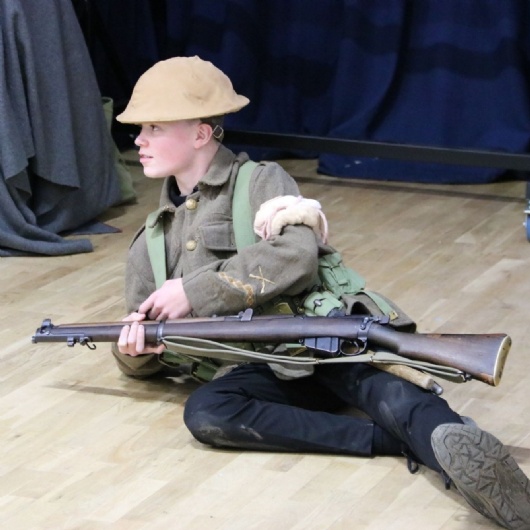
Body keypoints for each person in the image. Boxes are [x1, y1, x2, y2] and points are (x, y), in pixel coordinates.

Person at [112, 56, 530, 529]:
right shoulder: (152, 239)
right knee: (208, 411)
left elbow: (295, 253)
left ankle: (456, 450)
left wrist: (193, 291)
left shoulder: (259, 181)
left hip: (320, 338)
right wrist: (137, 349)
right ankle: (395, 442)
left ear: (201, 134)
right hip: (255, 367)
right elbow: (142, 334)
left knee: (388, 391)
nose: (139, 141)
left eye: (152, 128)